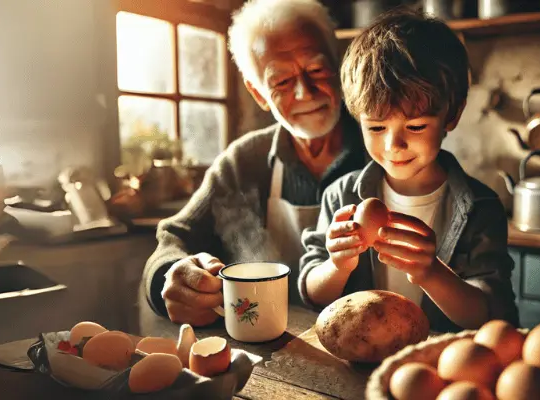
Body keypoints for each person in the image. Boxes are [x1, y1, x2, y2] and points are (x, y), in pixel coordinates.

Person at [141, 0, 369, 327]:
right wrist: (171, 278)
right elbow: (174, 237)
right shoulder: (243, 162)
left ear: (339, 66)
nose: (305, 92)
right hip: (269, 353)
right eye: (281, 82)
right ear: (259, 93)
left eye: (316, 70)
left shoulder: (386, 145)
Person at [298, 9, 519, 332]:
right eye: (375, 128)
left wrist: (431, 273)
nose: (393, 145)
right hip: (358, 361)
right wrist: (337, 265)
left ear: (452, 116)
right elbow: (312, 295)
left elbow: (491, 315)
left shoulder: (480, 207)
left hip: (438, 366)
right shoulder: (341, 196)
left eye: (415, 126)